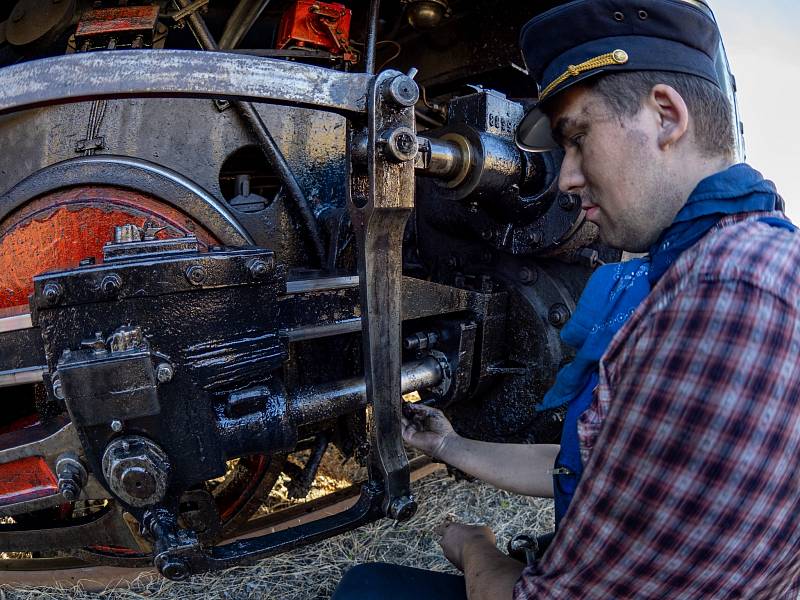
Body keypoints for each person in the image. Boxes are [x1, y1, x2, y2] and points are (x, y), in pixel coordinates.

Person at [333, 0, 800, 598]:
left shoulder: (723, 295)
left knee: (365, 590)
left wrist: (475, 548)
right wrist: (447, 444)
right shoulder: (741, 257)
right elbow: (589, 464)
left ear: (665, 115)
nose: (568, 177)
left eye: (577, 140)